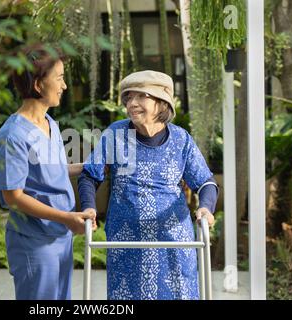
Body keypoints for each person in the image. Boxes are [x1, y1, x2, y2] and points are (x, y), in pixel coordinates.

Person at [78, 70, 218, 300]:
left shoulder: (181, 139)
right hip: (126, 245)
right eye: (128, 98)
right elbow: (89, 175)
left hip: (174, 244)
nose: (132, 103)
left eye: (141, 96)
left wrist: (206, 208)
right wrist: (88, 207)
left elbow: (205, 182)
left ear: (162, 102)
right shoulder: (116, 134)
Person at [0, 44, 96, 300]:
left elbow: (54, 171)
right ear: (38, 85)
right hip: (35, 243)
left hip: (60, 238)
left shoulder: (48, 123)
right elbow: (13, 196)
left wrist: (88, 166)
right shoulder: (13, 135)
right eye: (59, 79)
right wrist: (66, 217)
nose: (64, 86)